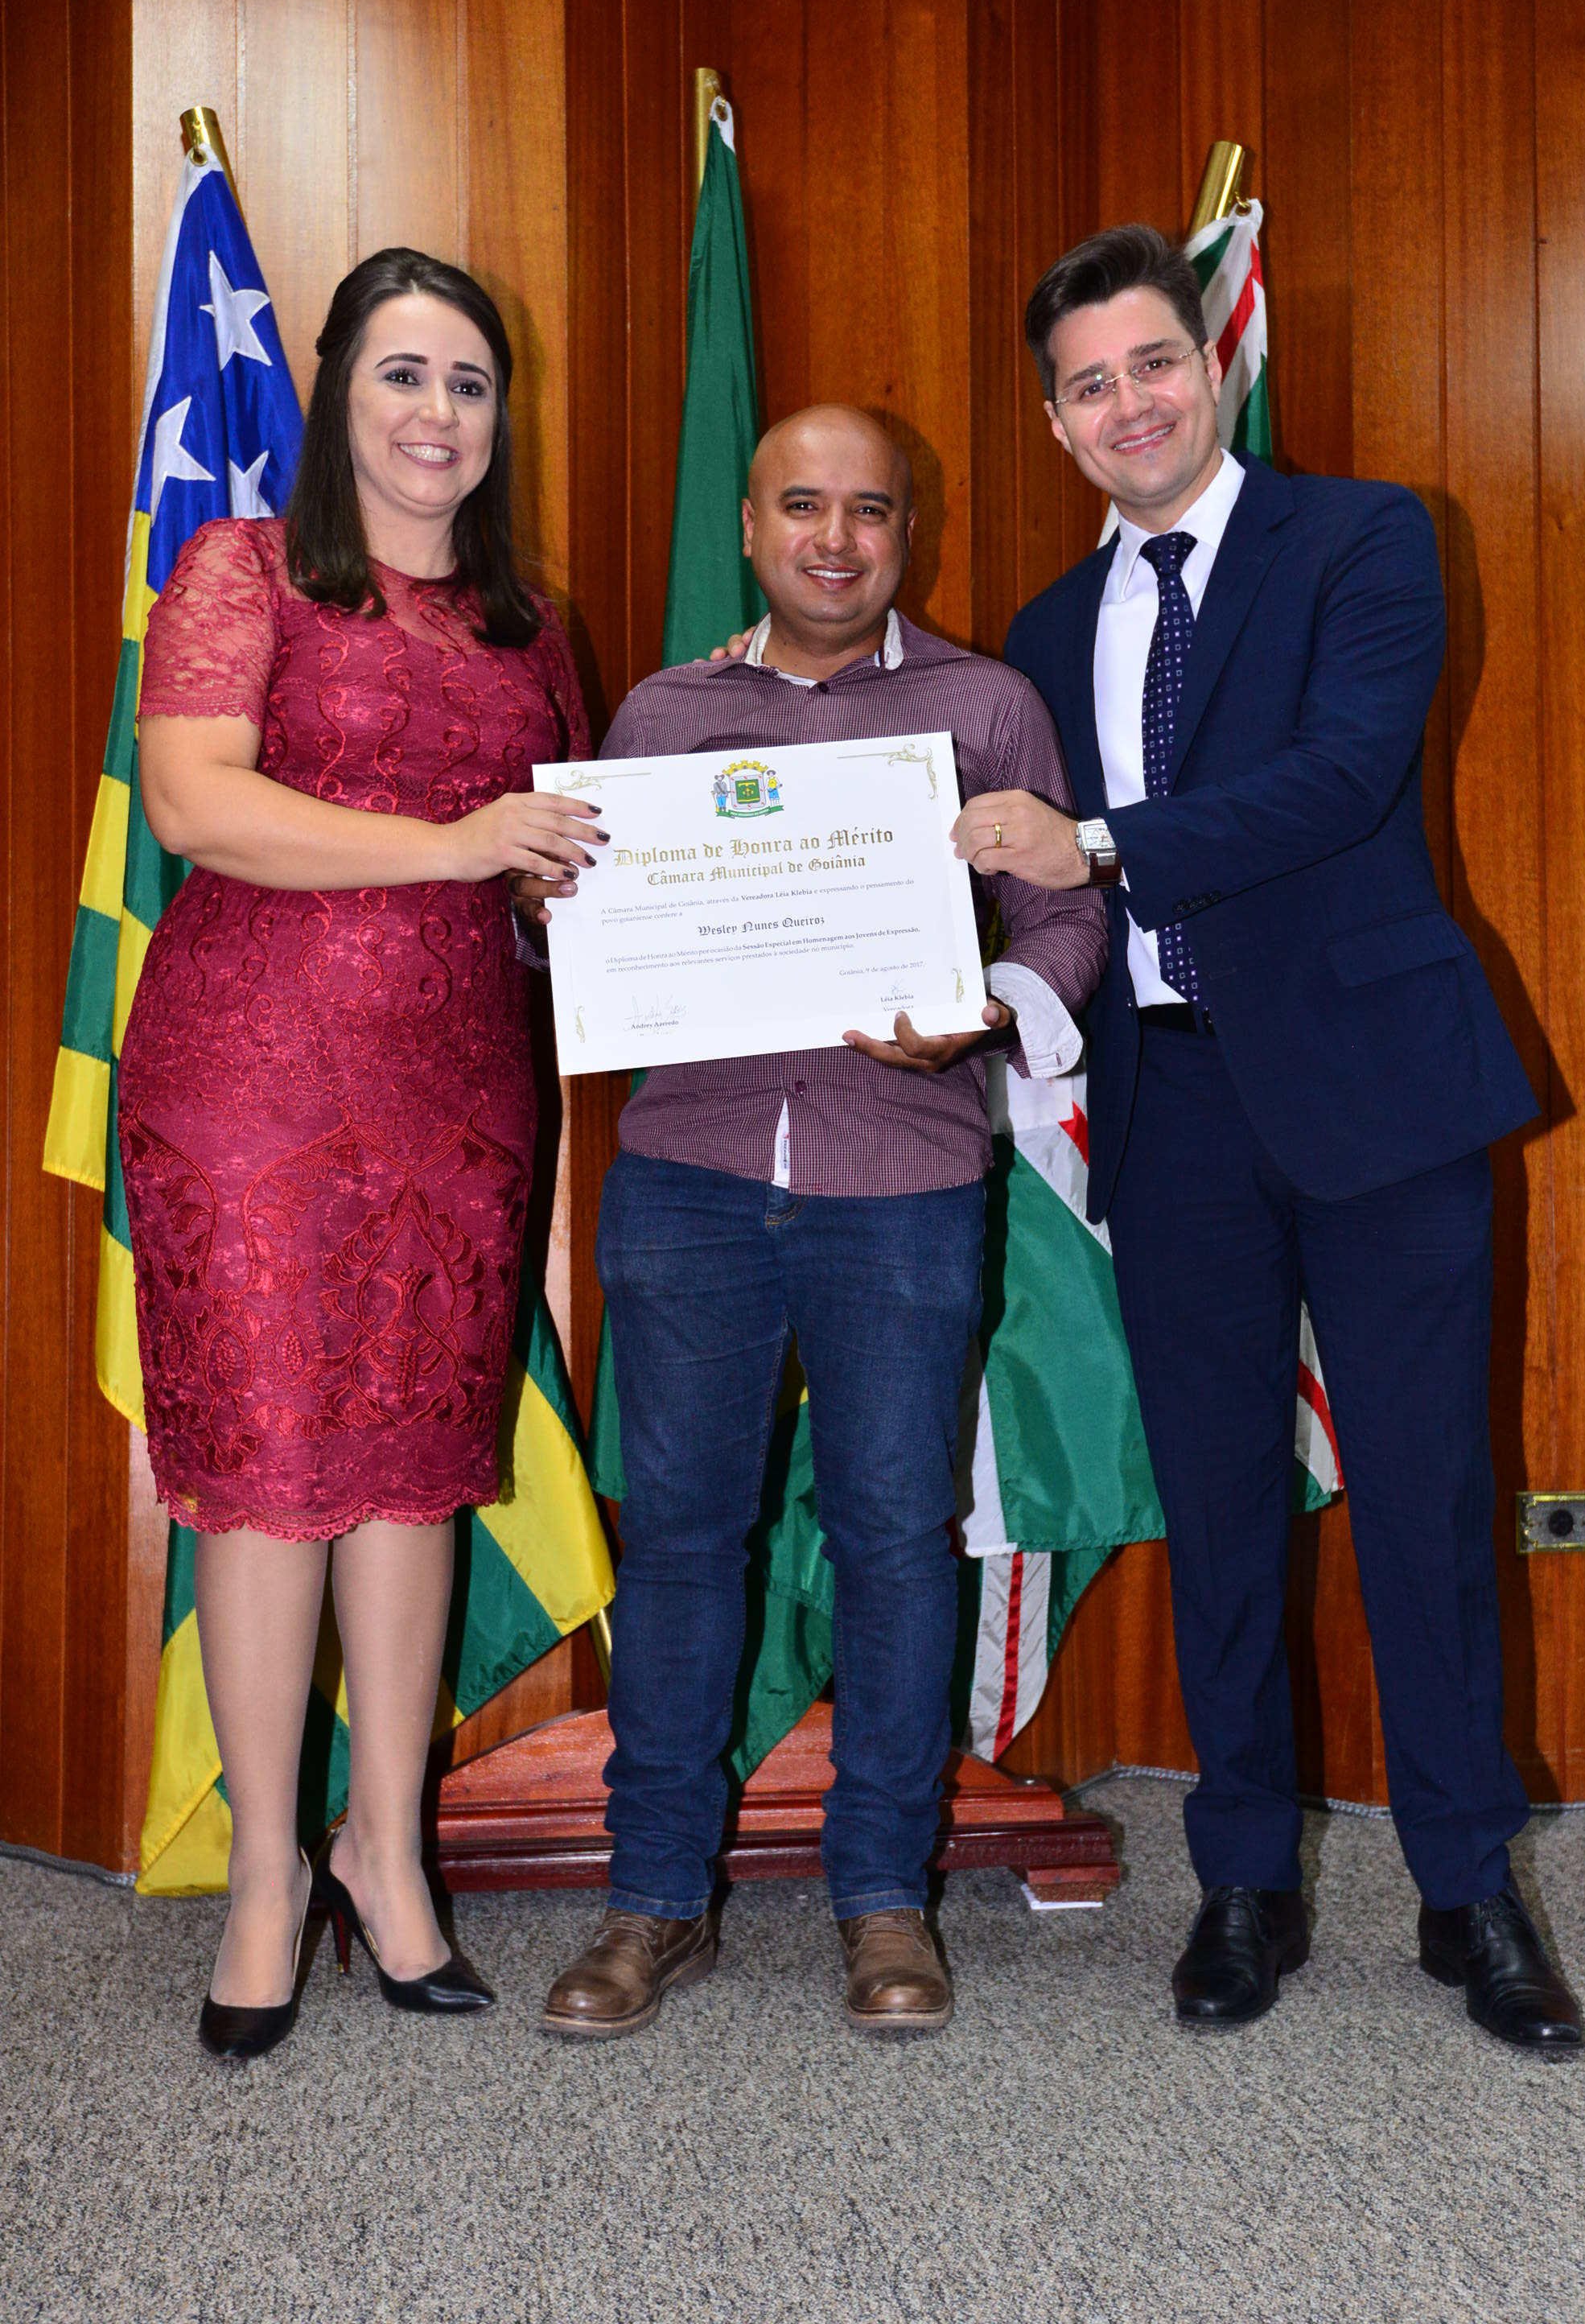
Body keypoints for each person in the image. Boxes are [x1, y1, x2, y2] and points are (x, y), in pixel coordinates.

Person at [953, 223, 1582, 2049]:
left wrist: (1091, 845)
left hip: (1377, 1089)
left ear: (1210, 365)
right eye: (1088, 385)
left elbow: (1340, 775)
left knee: (1424, 1499)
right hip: (1171, 1108)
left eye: (1152, 362)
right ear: (1057, 424)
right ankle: (1243, 1881)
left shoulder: (1367, 538)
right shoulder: (1043, 634)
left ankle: (1467, 1890)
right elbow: (1026, 889)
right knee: (1220, 1506)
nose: (1128, 404)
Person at [513, 405, 1108, 2038]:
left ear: (907, 529)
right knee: (680, 1541)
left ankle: (882, 1898)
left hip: (901, 1183)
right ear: (749, 524)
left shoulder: (985, 705)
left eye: (867, 510)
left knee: (895, 1542)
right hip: (689, 1181)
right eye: (800, 505)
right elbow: (587, 939)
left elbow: (1065, 915)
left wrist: (990, 1004)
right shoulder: (662, 713)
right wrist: (545, 911)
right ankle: (653, 1900)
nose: (833, 539)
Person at [121, 247, 603, 2059]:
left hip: (460, 1096)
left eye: (469, 382)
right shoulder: (243, 570)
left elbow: (561, 859)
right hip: (247, 1089)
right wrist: (461, 843)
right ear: (336, 394)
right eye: (402, 374)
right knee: (270, 1479)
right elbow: (196, 803)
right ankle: (267, 1879)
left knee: (414, 1476)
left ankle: (383, 1853)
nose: (436, 413)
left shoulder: (531, 626)